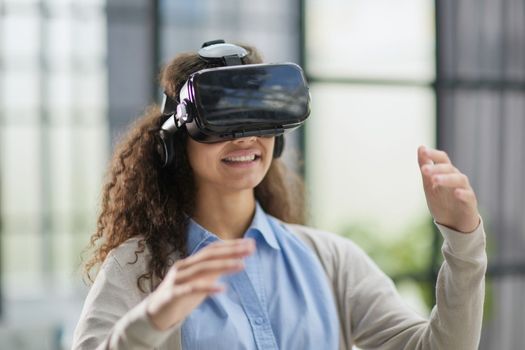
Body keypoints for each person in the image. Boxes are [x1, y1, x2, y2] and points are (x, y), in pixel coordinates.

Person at [72, 41, 487, 350]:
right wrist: (152, 319)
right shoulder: (137, 267)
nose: (246, 137)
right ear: (175, 142)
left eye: (259, 118)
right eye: (223, 122)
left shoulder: (329, 260)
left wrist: (463, 237)